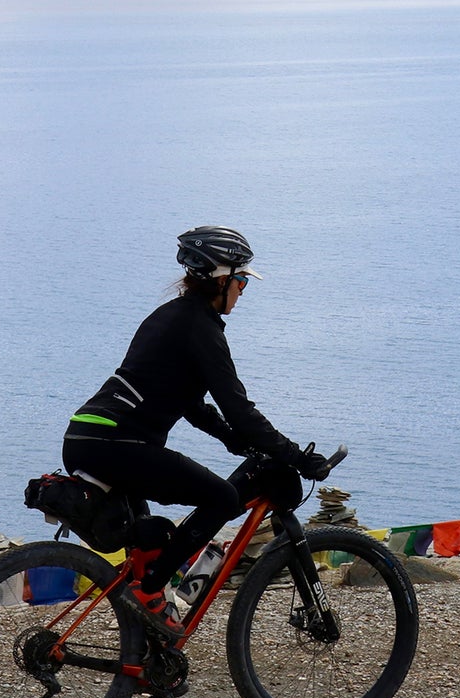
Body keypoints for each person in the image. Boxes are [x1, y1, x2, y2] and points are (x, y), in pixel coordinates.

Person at [63, 225, 328, 638]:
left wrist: (230, 439)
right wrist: (295, 455)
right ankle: (151, 593)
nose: (243, 290)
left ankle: (144, 642)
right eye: (241, 280)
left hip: (87, 437)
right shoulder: (201, 328)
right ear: (221, 279)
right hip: (119, 443)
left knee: (147, 546)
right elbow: (239, 408)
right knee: (221, 498)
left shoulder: (170, 315)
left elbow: (185, 400)